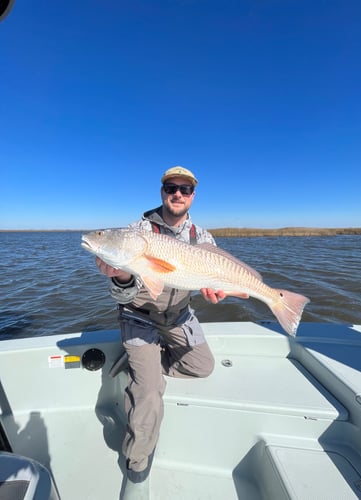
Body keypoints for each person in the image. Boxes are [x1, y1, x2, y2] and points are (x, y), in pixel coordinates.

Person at [96, 166, 225, 490]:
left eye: (184, 189)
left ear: (193, 195)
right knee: (150, 392)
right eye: (171, 188)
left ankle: (143, 363)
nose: (177, 194)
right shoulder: (136, 232)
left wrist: (216, 290)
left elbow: (211, 284)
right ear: (162, 192)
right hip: (138, 315)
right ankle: (137, 458)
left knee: (203, 367)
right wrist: (121, 275)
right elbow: (121, 293)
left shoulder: (202, 237)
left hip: (179, 315)